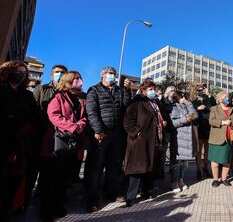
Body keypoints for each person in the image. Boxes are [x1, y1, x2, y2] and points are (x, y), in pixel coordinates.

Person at [42, 71, 87, 221]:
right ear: (68, 81)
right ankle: (46, 210)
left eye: (80, 79)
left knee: (64, 178)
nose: (79, 81)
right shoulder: (59, 96)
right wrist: (73, 126)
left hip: (72, 143)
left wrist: (80, 125)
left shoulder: (81, 98)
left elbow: (84, 117)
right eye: (75, 79)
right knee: (52, 178)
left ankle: (58, 205)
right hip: (57, 142)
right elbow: (54, 115)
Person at [85, 67, 131, 212]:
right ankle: (92, 199)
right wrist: (97, 129)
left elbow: (125, 107)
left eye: (114, 74)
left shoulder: (119, 90)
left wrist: (127, 90)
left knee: (114, 165)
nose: (113, 76)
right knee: (96, 166)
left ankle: (111, 192)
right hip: (101, 133)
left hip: (117, 133)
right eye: (110, 74)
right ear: (103, 75)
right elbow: (91, 111)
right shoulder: (94, 90)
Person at [0, 61, 40, 220]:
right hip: (3, 139)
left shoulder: (27, 95)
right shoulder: (2, 90)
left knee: (15, 179)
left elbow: (35, 116)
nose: (21, 74)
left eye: (24, 71)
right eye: (17, 71)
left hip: (21, 142)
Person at [123, 79, 164, 207]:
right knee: (137, 169)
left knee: (149, 167)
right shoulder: (137, 101)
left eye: (154, 89)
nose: (153, 91)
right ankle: (130, 196)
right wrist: (136, 133)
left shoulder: (155, 103)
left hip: (153, 139)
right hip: (140, 141)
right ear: (144, 91)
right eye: (150, 89)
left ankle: (146, 191)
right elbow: (128, 120)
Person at [208, 91, 233, 187]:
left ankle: (225, 178)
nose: (228, 98)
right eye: (225, 97)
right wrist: (223, 122)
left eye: (228, 97)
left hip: (229, 138)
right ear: (220, 99)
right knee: (215, 161)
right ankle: (215, 179)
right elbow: (211, 121)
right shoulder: (214, 109)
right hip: (216, 138)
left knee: (227, 160)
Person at [169, 91, 198, 192]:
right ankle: (174, 182)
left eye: (183, 96)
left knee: (184, 161)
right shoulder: (172, 106)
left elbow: (195, 115)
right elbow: (172, 123)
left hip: (187, 138)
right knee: (176, 161)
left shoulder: (185, 105)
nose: (183, 97)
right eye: (181, 96)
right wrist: (185, 119)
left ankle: (181, 180)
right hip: (178, 137)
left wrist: (188, 103)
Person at [192, 84, 215, 180]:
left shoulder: (208, 99)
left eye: (202, 89)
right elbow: (191, 113)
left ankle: (206, 168)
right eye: (198, 90)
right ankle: (198, 170)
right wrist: (198, 109)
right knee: (198, 150)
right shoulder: (193, 102)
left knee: (207, 151)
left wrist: (208, 94)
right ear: (196, 91)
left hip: (208, 127)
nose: (200, 91)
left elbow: (214, 106)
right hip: (198, 127)